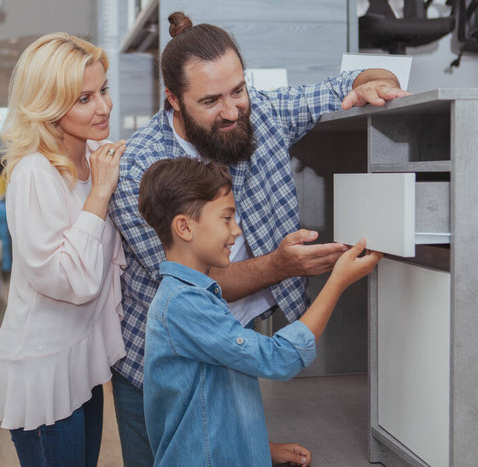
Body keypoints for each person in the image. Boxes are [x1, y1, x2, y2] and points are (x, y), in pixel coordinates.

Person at [108, 11, 410, 465]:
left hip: (235, 339)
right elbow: (191, 279)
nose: (231, 111)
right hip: (156, 368)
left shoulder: (261, 111)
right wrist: (282, 265)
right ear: (173, 99)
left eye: (238, 91)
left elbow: (345, 83)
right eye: (210, 101)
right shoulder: (140, 169)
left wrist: (376, 81)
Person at [138, 157, 383, 466]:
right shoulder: (184, 305)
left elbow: (214, 400)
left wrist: (264, 448)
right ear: (184, 227)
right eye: (226, 218)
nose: (236, 230)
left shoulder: (196, 296)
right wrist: (337, 282)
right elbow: (278, 357)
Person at [0, 33, 127, 467]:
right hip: (42, 368)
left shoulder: (95, 156)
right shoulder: (34, 174)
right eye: (84, 98)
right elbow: (69, 280)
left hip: (79, 359)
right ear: (48, 106)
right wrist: (100, 193)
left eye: (103, 90)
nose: (103, 107)